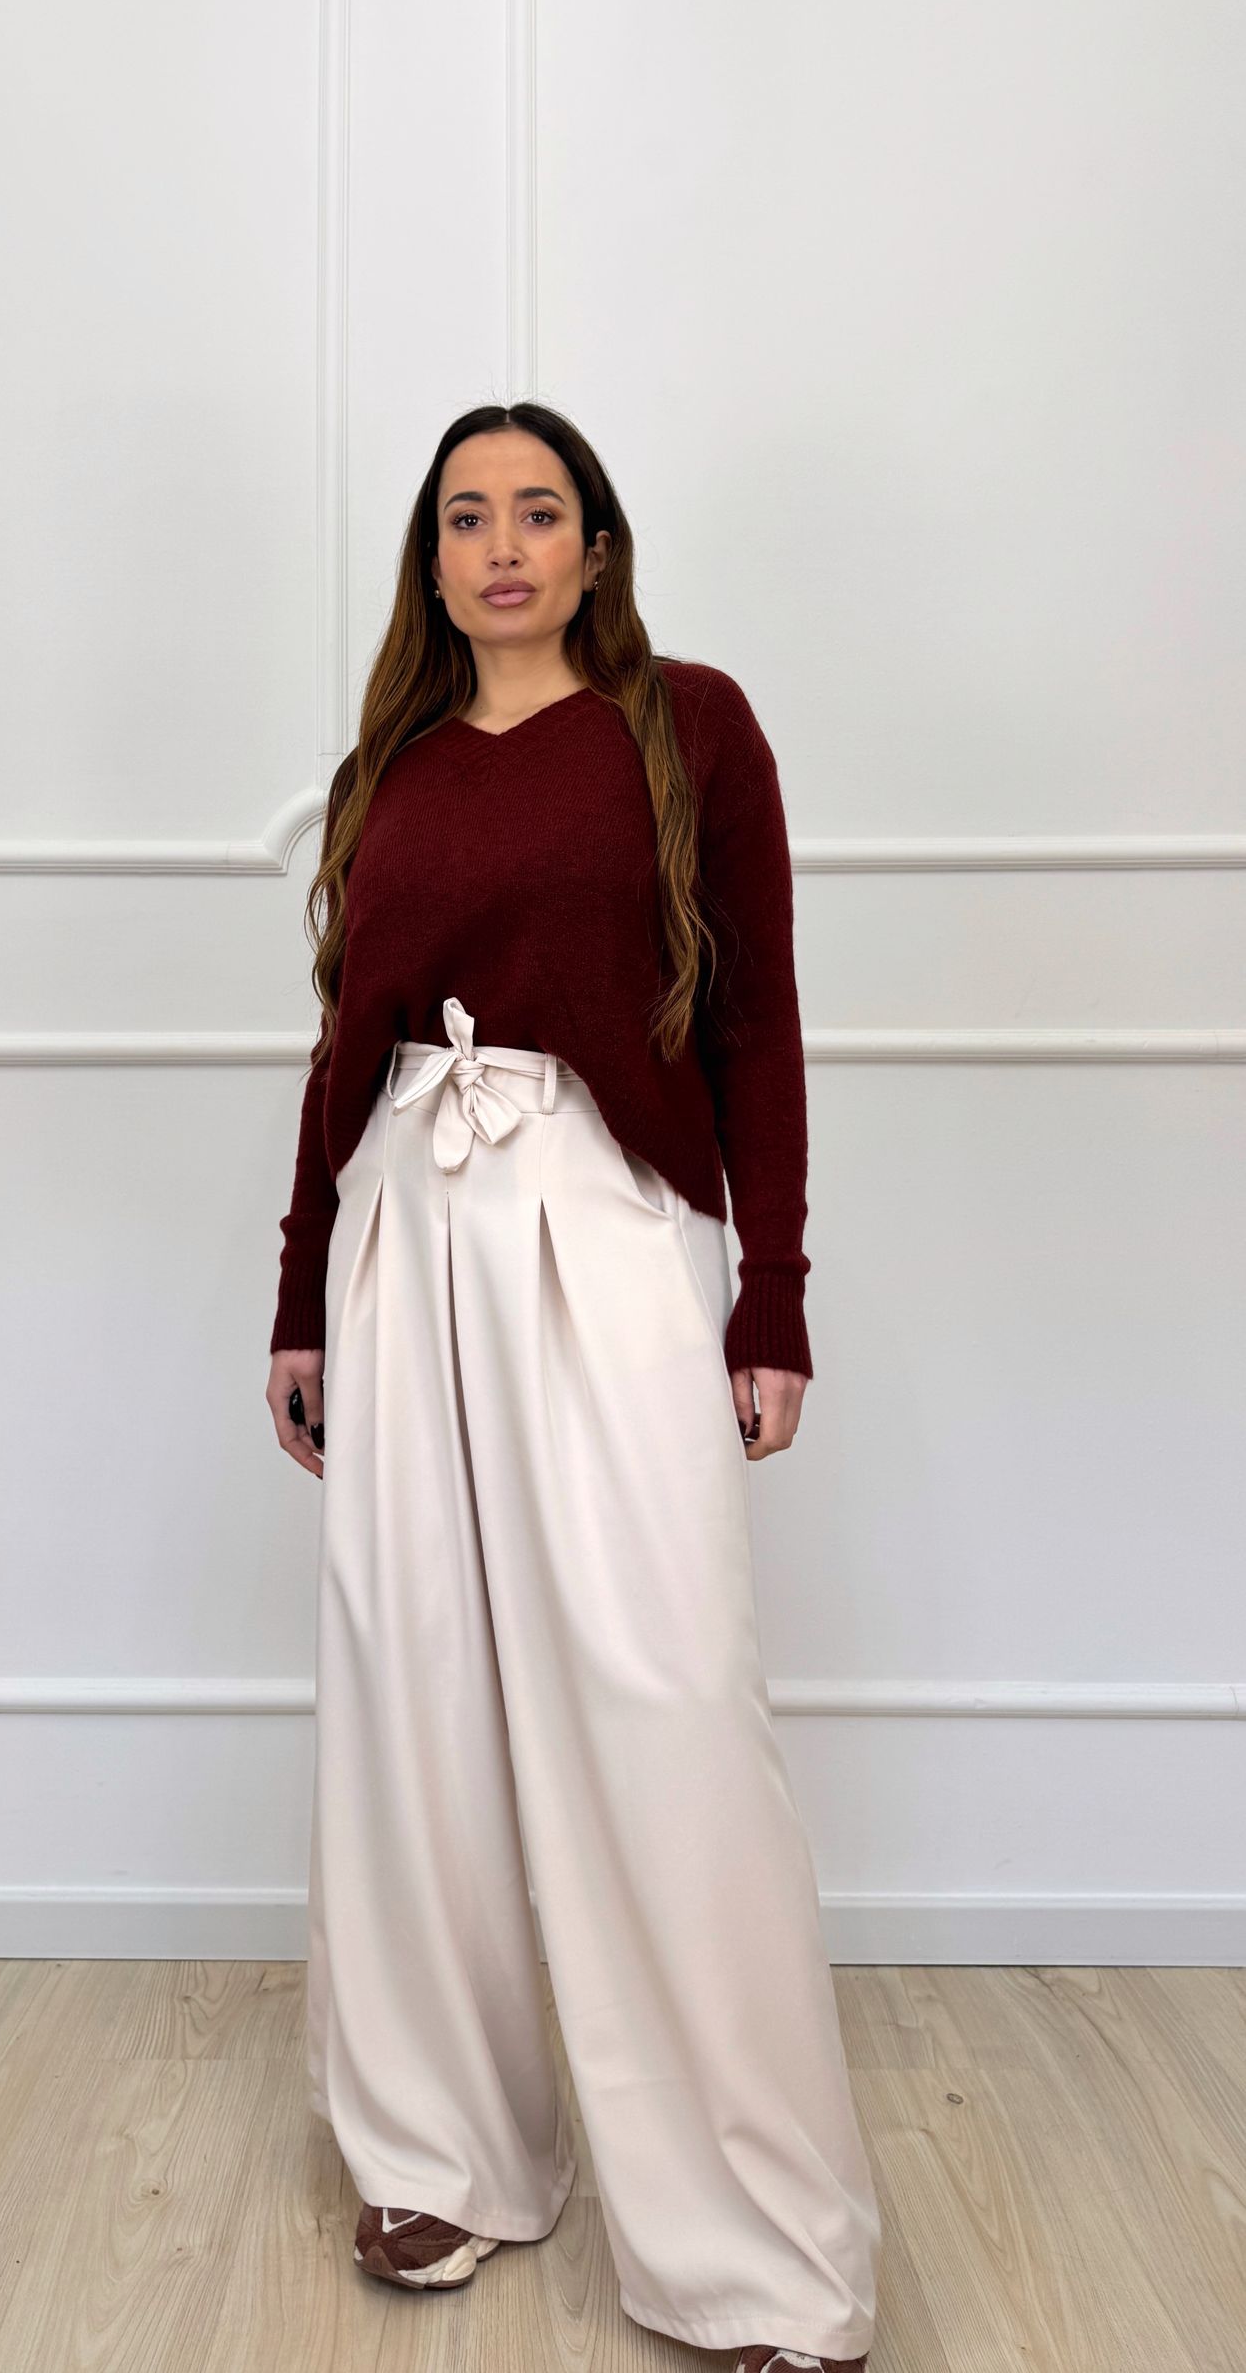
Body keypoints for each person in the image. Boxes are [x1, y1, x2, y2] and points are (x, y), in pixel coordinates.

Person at [266, 401, 881, 2372]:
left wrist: (771, 1301)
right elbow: (343, 1051)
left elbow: (760, 1021)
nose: (505, 545)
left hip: (608, 1225)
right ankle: (442, 2149)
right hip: (407, 1234)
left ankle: (757, 2243)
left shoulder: (690, 728)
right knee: (415, 1689)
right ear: (432, 558)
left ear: (597, 545)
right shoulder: (391, 766)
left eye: (541, 512)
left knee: (664, 1691)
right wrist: (299, 1295)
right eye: (468, 516)